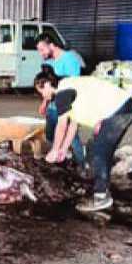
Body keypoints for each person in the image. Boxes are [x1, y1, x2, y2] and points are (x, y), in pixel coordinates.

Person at [35, 70, 132, 213]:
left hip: (120, 109)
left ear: (46, 84)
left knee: (98, 152)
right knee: (97, 150)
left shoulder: (62, 94)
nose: (43, 96)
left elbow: (62, 125)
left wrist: (54, 150)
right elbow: (73, 125)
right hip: (121, 108)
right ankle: (103, 190)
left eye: (41, 91)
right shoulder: (69, 88)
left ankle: (101, 197)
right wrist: (63, 149)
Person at [36, 32, 86, 169]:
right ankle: (60, 158)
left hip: (67, 105)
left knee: (72, 137)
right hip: (53, 106)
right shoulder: (48, 62)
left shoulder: (70, 59)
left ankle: (81, 166)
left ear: (51, 45)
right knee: (50, 135)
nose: (41, 53)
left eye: (42, 49)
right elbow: (46, 86)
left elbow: (73, 87)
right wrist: (45, 103)